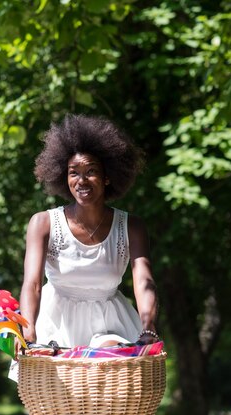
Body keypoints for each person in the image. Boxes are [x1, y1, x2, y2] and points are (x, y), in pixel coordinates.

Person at [18, 114, 159, 352]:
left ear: (106, 177)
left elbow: (143, 281)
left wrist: (149, 326)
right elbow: (32, 284)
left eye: (91, 171)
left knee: (110, 365)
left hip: (110, 326)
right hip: (56, 325)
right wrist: (29, 329)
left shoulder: (131, 226)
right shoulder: (43, 223)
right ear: (65, 177)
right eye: (74, 172)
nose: (82, 180)